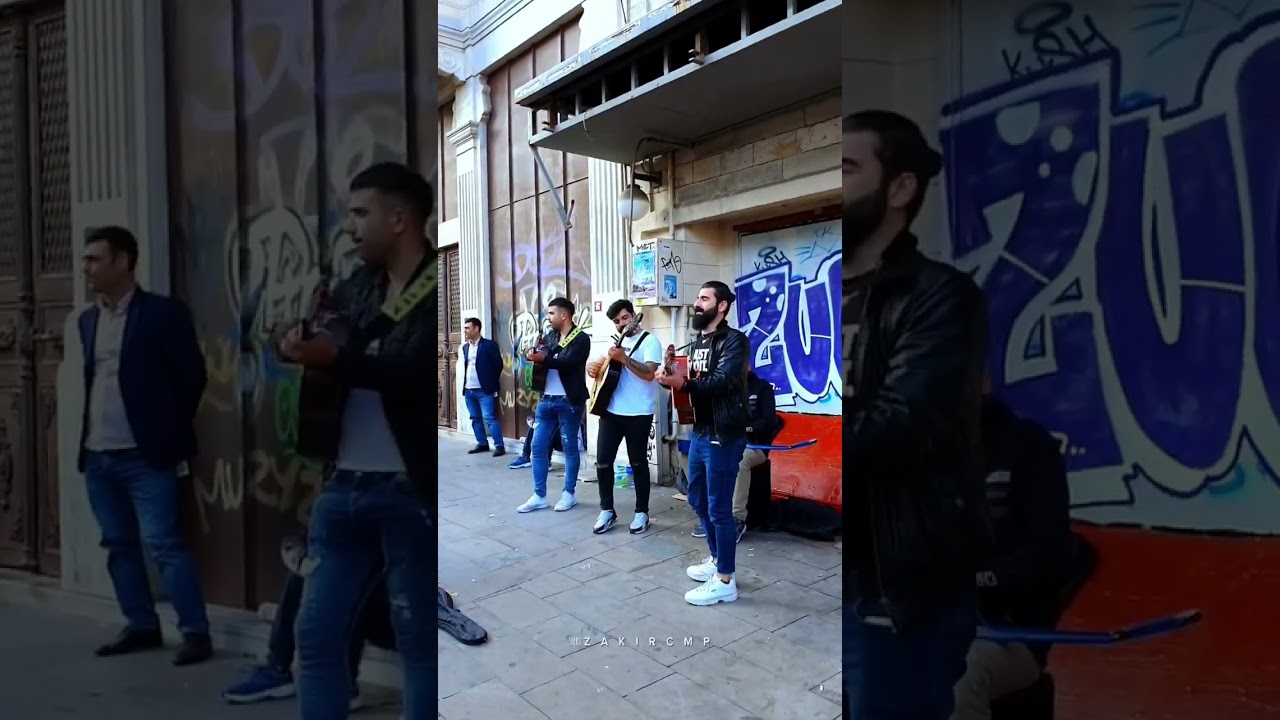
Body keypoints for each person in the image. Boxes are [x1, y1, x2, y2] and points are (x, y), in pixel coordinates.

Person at [842, 110, 991, 719]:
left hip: (894, 592)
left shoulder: (940, 296)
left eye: (845, 168)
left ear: (900, 188)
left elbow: (896, 428)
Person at [279, 161, 434, 720]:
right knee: (316, 638)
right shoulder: (356, 287)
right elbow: (330, 343)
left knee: (420, 640)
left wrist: (335, 359)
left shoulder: (436, 285)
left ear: (399, 220)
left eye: (359, 213)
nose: (349, 226)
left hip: (411, 493)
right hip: (343, 486)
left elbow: (412, 373)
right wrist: (295, 341)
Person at [76, 225, 212, 666]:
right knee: (117, 544)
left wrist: (166, 431)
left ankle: (195, 631)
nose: (86, 268)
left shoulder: (162, 313)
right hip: (98, 454)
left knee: (164, 542)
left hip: (147, 455)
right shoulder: (87, 320)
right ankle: (140, 625)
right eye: (84, 260)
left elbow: (192, 377)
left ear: (123, 262)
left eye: (94, 259)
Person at [951, 387, 1075, 720]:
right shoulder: (920, 451)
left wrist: (975, 580)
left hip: (1007, 632)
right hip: (924, 624)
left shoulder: (1028, 447)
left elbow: (1050, 556)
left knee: (956, 678)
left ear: (981, 380)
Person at [657, 281, 751, 606]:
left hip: (723, 434)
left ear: (722, 306)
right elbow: (691, 382)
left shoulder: (735, 340)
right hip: (699, 431)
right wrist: (669, 374)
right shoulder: (698, 342)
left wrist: (682, 383)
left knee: (719, 508)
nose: (697, 303)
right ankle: (717, 558)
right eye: (697, 297)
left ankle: (725, 580)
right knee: (697, 497)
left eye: (704, 298)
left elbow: (723, 381)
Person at [222, 538, 391, 710]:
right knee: (310, 567)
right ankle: (278, 667)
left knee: (353, 576)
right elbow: (306, 538)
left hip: (396, 619)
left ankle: (344, 685)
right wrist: (297, 554)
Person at [586, 299, 662, 534]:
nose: (621, 324)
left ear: (634, 316)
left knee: (638, 462)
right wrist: (593, 368)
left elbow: (649, 374)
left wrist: (624, 359)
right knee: (603, 461)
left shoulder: (650, 341)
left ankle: (642, 512)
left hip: (639, 413)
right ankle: (606, 510)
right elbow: (601, 367)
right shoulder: (615, 342)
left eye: (625, 318)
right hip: (611, 411)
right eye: (617, 321)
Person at [517, 297, 591, 513]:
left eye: (551, 313)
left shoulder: (581, 339)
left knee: (569, 447)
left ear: (564, 315)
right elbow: (543, 354)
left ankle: (569, 494)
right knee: (537, 446)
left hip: (569, 401)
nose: (548, 318)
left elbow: (568, 363)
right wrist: (531, 354)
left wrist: (543, 359)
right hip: (547, 399)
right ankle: (539, 496)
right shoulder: (550, 336)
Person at [734, 369, 782, 539]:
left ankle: (737, 518)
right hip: (730, 443)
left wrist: (745, 429)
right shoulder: (727, 388)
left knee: (740, 461)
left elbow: (769, 422)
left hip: (756, 446)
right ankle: (710, 512)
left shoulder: (762, 387)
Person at [461, 317, 505, 457]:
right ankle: (482, 443)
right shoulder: (465, 347)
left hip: (484, 390)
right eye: (464, 328)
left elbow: (498, 365)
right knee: (475, 418)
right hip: (469, 390)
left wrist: (490, 382)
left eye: (467, 328)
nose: (465, 330)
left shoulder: (489, 345)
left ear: (476, 328)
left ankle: (499, 445)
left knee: (489, 417)